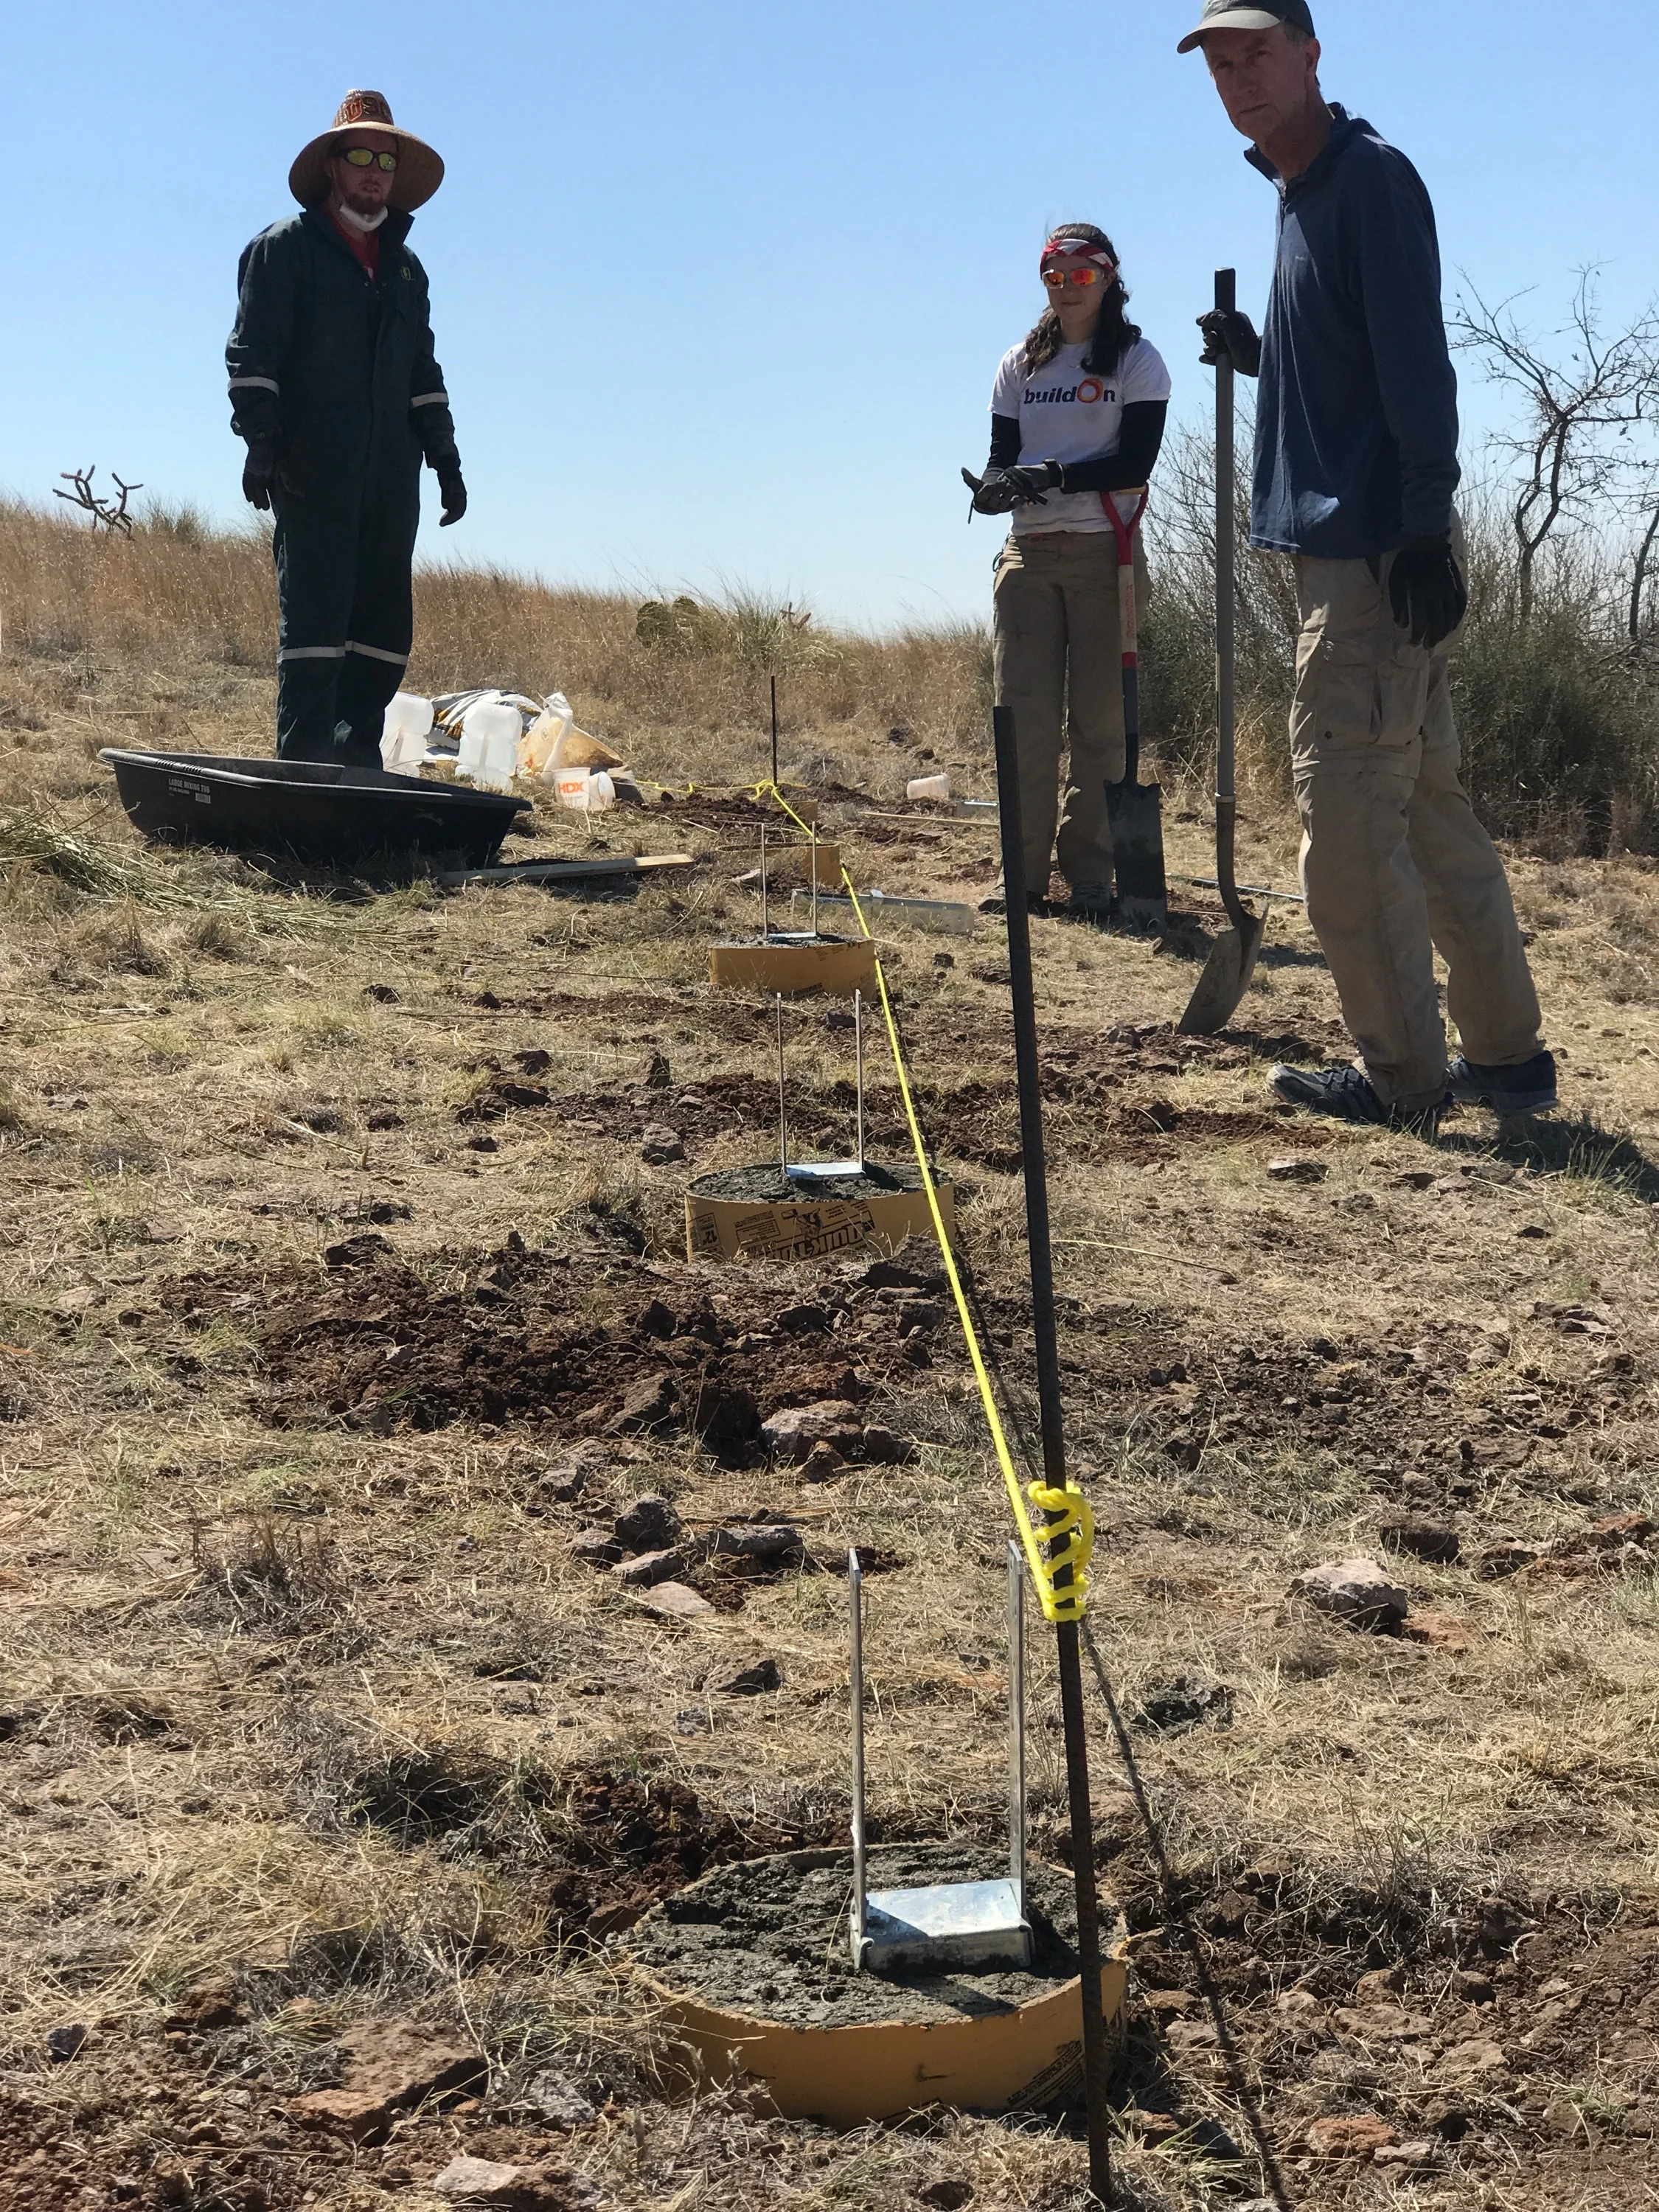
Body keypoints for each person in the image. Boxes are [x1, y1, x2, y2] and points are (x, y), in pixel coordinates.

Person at [1180, 3, 1554, 1133]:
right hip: (1351, 559)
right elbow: (1348, 364)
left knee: (1342, 833)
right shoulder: (1299, 196)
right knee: (1430, 819)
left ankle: (1401, 1081)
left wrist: (1425, 527)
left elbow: (1414, 364)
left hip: (1369, 568)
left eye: (1257, 53)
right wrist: (1265, 361)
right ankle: (1506, 1062)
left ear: (1308, 56)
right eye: (1219, 62)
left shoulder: (1365, 179)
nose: (1238, 77)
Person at [226, 90, 466, 767]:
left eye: (385, 161)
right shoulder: (284, 250)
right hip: (315, 471)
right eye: (359, 155)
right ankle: (303, 773)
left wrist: (445, 459)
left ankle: (355, 767)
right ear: (333, 166)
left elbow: (422, 369)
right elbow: (252, 355)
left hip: (394, 476)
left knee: (383, 631)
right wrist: (263, 441)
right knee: (315, 626)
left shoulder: (406, 270)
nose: (373, 171)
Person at [966, 226, 1171, 918]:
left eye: (1082, 276)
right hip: (1028, 558)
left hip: (1104, 554)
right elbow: (1002, 456)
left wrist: (1053, 474)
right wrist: (995, 487)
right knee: (1022, 720)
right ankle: (1020, 876)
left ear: (1109, 279)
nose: (1067, 288)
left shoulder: (1137, 362)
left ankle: (1091, 874)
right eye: (1054, 275)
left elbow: (1133, 464)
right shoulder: (1020, 363)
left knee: (1100, 725)